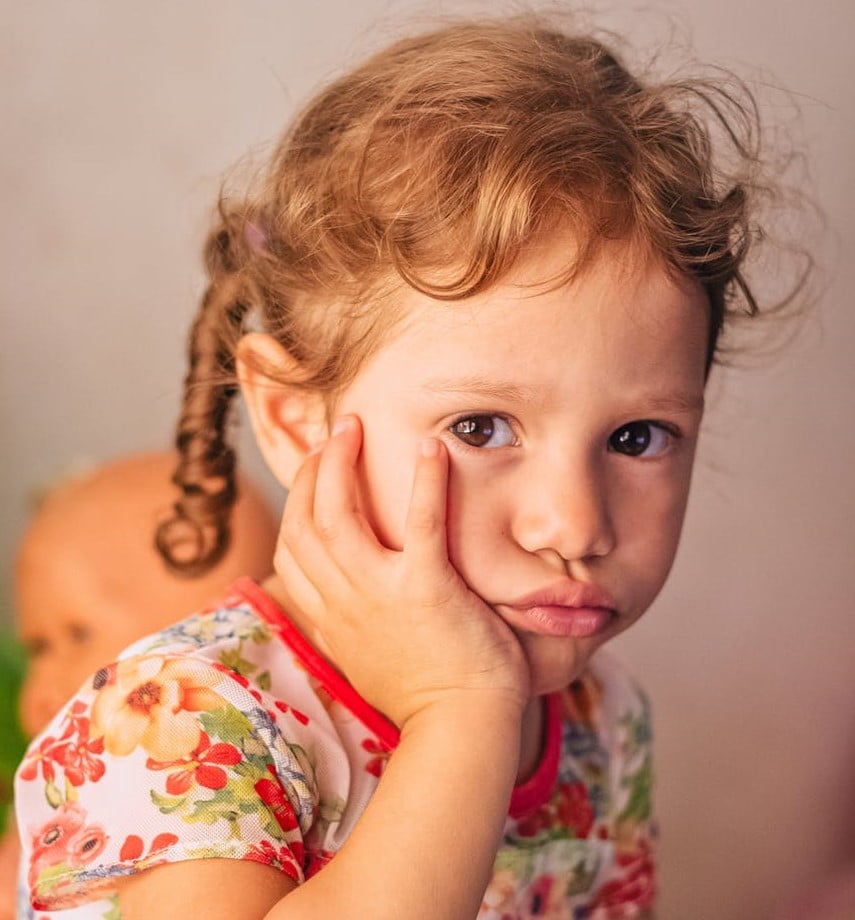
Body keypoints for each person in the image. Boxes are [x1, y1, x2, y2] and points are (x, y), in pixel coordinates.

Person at [14, 14, 805, 920]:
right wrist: (460, 714)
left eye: (637, 438)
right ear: (293, 417)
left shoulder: (597, 714)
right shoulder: (188, 721)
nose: (575, 526)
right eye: (481, 426)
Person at [2, 451, 278, 919]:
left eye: (77, 634)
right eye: (37, 649)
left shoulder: (233, 772)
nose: (40, 687)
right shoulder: (55, 788)